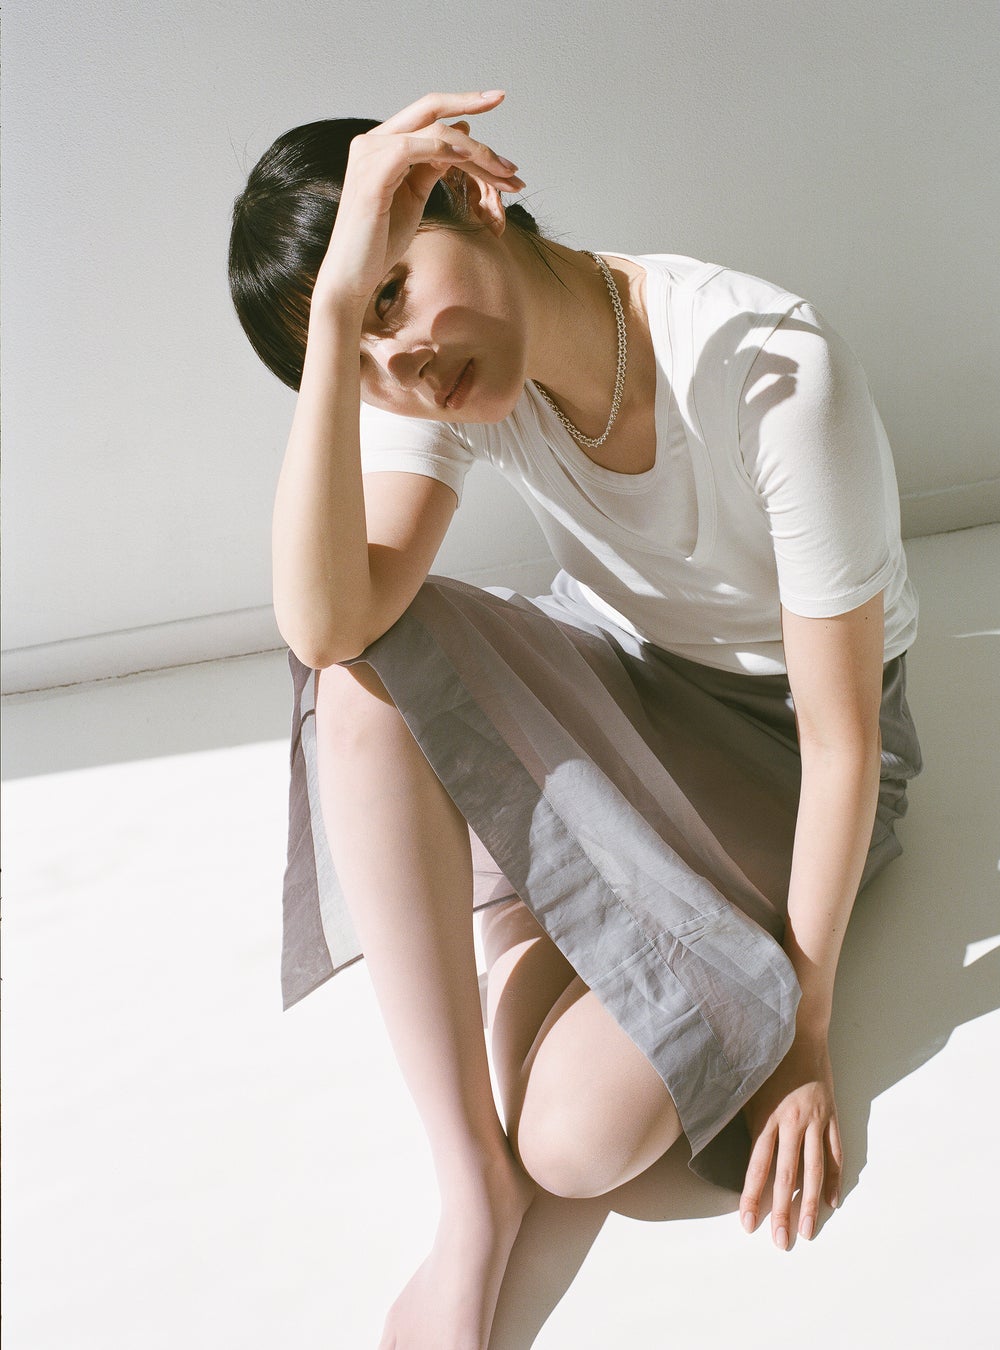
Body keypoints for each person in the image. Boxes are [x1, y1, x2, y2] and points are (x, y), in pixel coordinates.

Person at [228, 90, 921, 1350]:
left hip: (784, 746)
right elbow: (327, 624)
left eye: (394, 293)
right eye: (361, 347)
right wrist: (335, 324)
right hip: (618, 681)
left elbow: (842, 739)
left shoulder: (768, 366)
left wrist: (805, 1033)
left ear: (475, 197)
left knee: (578, 1141)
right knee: (361, 671)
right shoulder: (435, 384)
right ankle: (471, 1196)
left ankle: (567, 906)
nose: (403, 365)